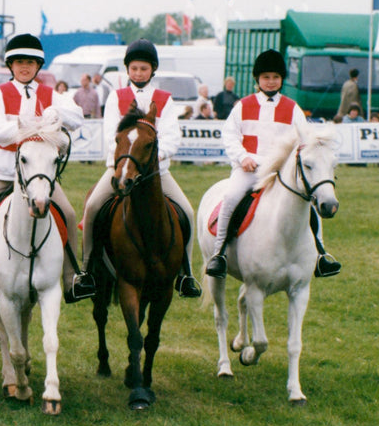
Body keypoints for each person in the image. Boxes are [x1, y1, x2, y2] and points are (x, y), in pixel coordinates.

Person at [0, 33, 93, 303]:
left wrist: (56, 114)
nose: (24, 67)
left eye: (29, 62)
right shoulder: (0, 93)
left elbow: (77, 117)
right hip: (2, 172)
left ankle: (73, 277)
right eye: (18, 62)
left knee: (69, 213)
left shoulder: (50, 94)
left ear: (38, 65)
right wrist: (33, 123)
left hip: (37, 174)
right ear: (10, 66)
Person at [79, 38, 202, 299]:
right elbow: (110, 133)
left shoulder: (165, 99)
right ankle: (87, 270)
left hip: (157, 172)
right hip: (121, 168)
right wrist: (121, 165)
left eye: (143, 69)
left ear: (152, 70)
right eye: (134, 68)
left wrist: (155, 158)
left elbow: (171, 136)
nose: (138, 73)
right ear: (127, 70)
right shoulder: (116, 97)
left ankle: (185, 274)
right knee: (92, 208)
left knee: (188, 212)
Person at [205, 49, 341, 280]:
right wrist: (242, 157)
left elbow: (305, 139)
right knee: (230, 198)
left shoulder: (293, 108)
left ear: (281, 79)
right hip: (249, 169)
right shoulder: (242, 105)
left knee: (309, 199)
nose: (270, 82)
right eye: (266, 77)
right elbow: (229, 135)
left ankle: (320, 253)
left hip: (279, 172)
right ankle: (219, 253)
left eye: (275, 77)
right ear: (257, 79)